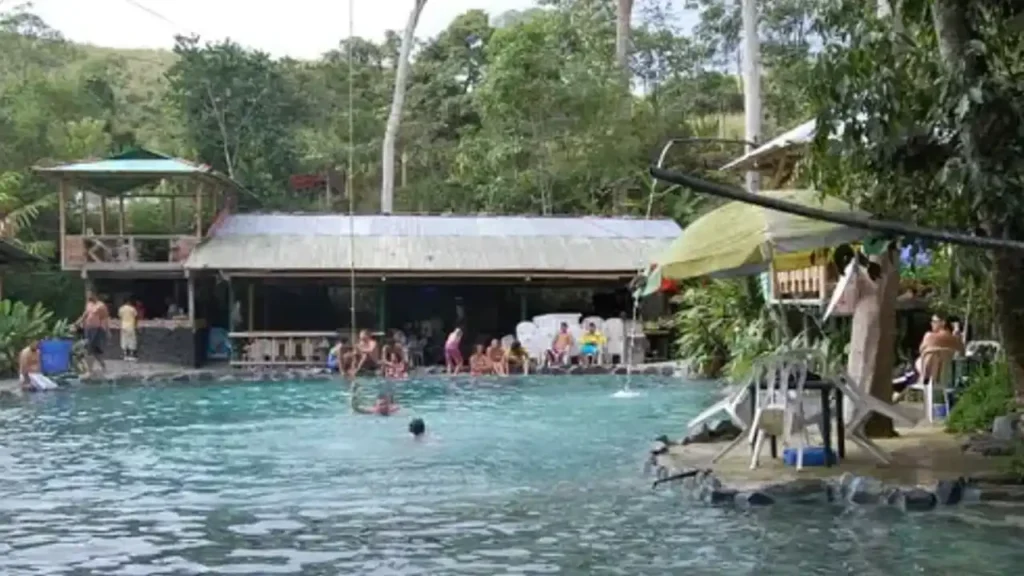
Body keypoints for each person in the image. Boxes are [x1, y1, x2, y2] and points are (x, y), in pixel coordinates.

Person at [893, 314, 966, 393]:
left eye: (934, 321)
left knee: (898, 382)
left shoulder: (929, 336)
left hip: (923, 377)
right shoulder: (955, 341)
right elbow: (962, 353)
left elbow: (921, 350)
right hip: (946, 379)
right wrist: (957, 335)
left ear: (943, 323)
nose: (931, 324)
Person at [77, 292, 110, 376]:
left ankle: (90, 370)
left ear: (95, 296)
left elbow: (105, 318)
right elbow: (85, 314)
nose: (89, 298)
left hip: (96, 329)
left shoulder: (101, 306)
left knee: (91, 349)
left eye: (90, 297)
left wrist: (107, 330)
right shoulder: (89, 304)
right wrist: (77, 322)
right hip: (87, 328)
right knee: (91, 350)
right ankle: (101, 367)